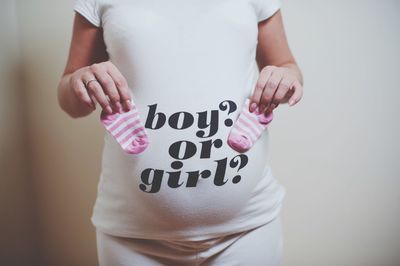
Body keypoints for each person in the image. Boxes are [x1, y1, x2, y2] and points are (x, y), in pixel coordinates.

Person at [57, 0, 303, 265]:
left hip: (248, 230)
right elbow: (70, 100)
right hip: (133, 239)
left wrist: (285, 78)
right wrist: (80, 81)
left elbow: (287, 65)